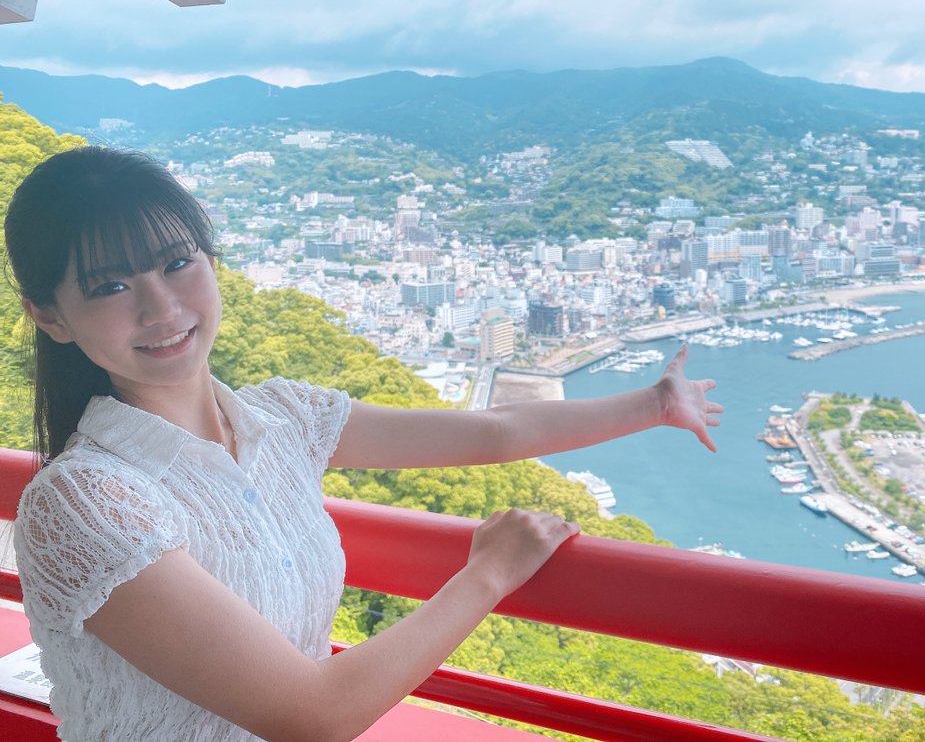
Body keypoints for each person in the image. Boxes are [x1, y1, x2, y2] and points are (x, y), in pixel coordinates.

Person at [3, 146, 723, 741]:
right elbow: (313, 717)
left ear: (211, 261)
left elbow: (495, 430)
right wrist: (488, 575)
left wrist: (656, 404)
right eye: (109, 287)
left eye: (175, 263)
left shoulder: (287, 419)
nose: (161, 307)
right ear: (51, 316)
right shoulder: (84, 503)